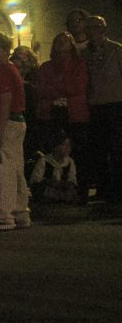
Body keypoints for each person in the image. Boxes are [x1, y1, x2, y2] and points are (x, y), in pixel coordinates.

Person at [0, 32, 31, 230]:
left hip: (6, 122)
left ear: (5, 51)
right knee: (16, 168)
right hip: (15, 121)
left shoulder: (1, 72)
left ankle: (4, 215)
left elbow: (5, 101)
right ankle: (20, 211)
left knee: (2, 169)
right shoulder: (10, 70)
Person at [36, 31, 89, 199]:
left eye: (65, 40)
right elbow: (41, 89)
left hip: (74, 113)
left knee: (78, 151)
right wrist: (61, 89)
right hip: (52, 113)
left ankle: (78, 189)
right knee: (52, 150)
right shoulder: (46, 67)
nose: (61, 43)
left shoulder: (79, 65)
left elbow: (78, 86)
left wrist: (56, 88)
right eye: (58, 40)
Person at [84, 15, 122, 203]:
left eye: (96, 27)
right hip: (94, 105)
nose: (93, 32)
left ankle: (118, 188)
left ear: (103, 29)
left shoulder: (116, 50)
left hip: (115, 103)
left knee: (117, 147)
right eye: (89, 28)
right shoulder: (84, 54)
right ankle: (104, 188)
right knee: (99, 148)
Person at [28, 132, 78, 204]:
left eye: (69, 145)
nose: (68, 148)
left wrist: (63, 184)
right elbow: (35, 180)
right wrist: (50, 182)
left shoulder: (70, 162)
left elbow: (72, 180)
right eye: (64, 145)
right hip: (48, 189)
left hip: (61, 189)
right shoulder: (44, 160)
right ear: (55, 147)